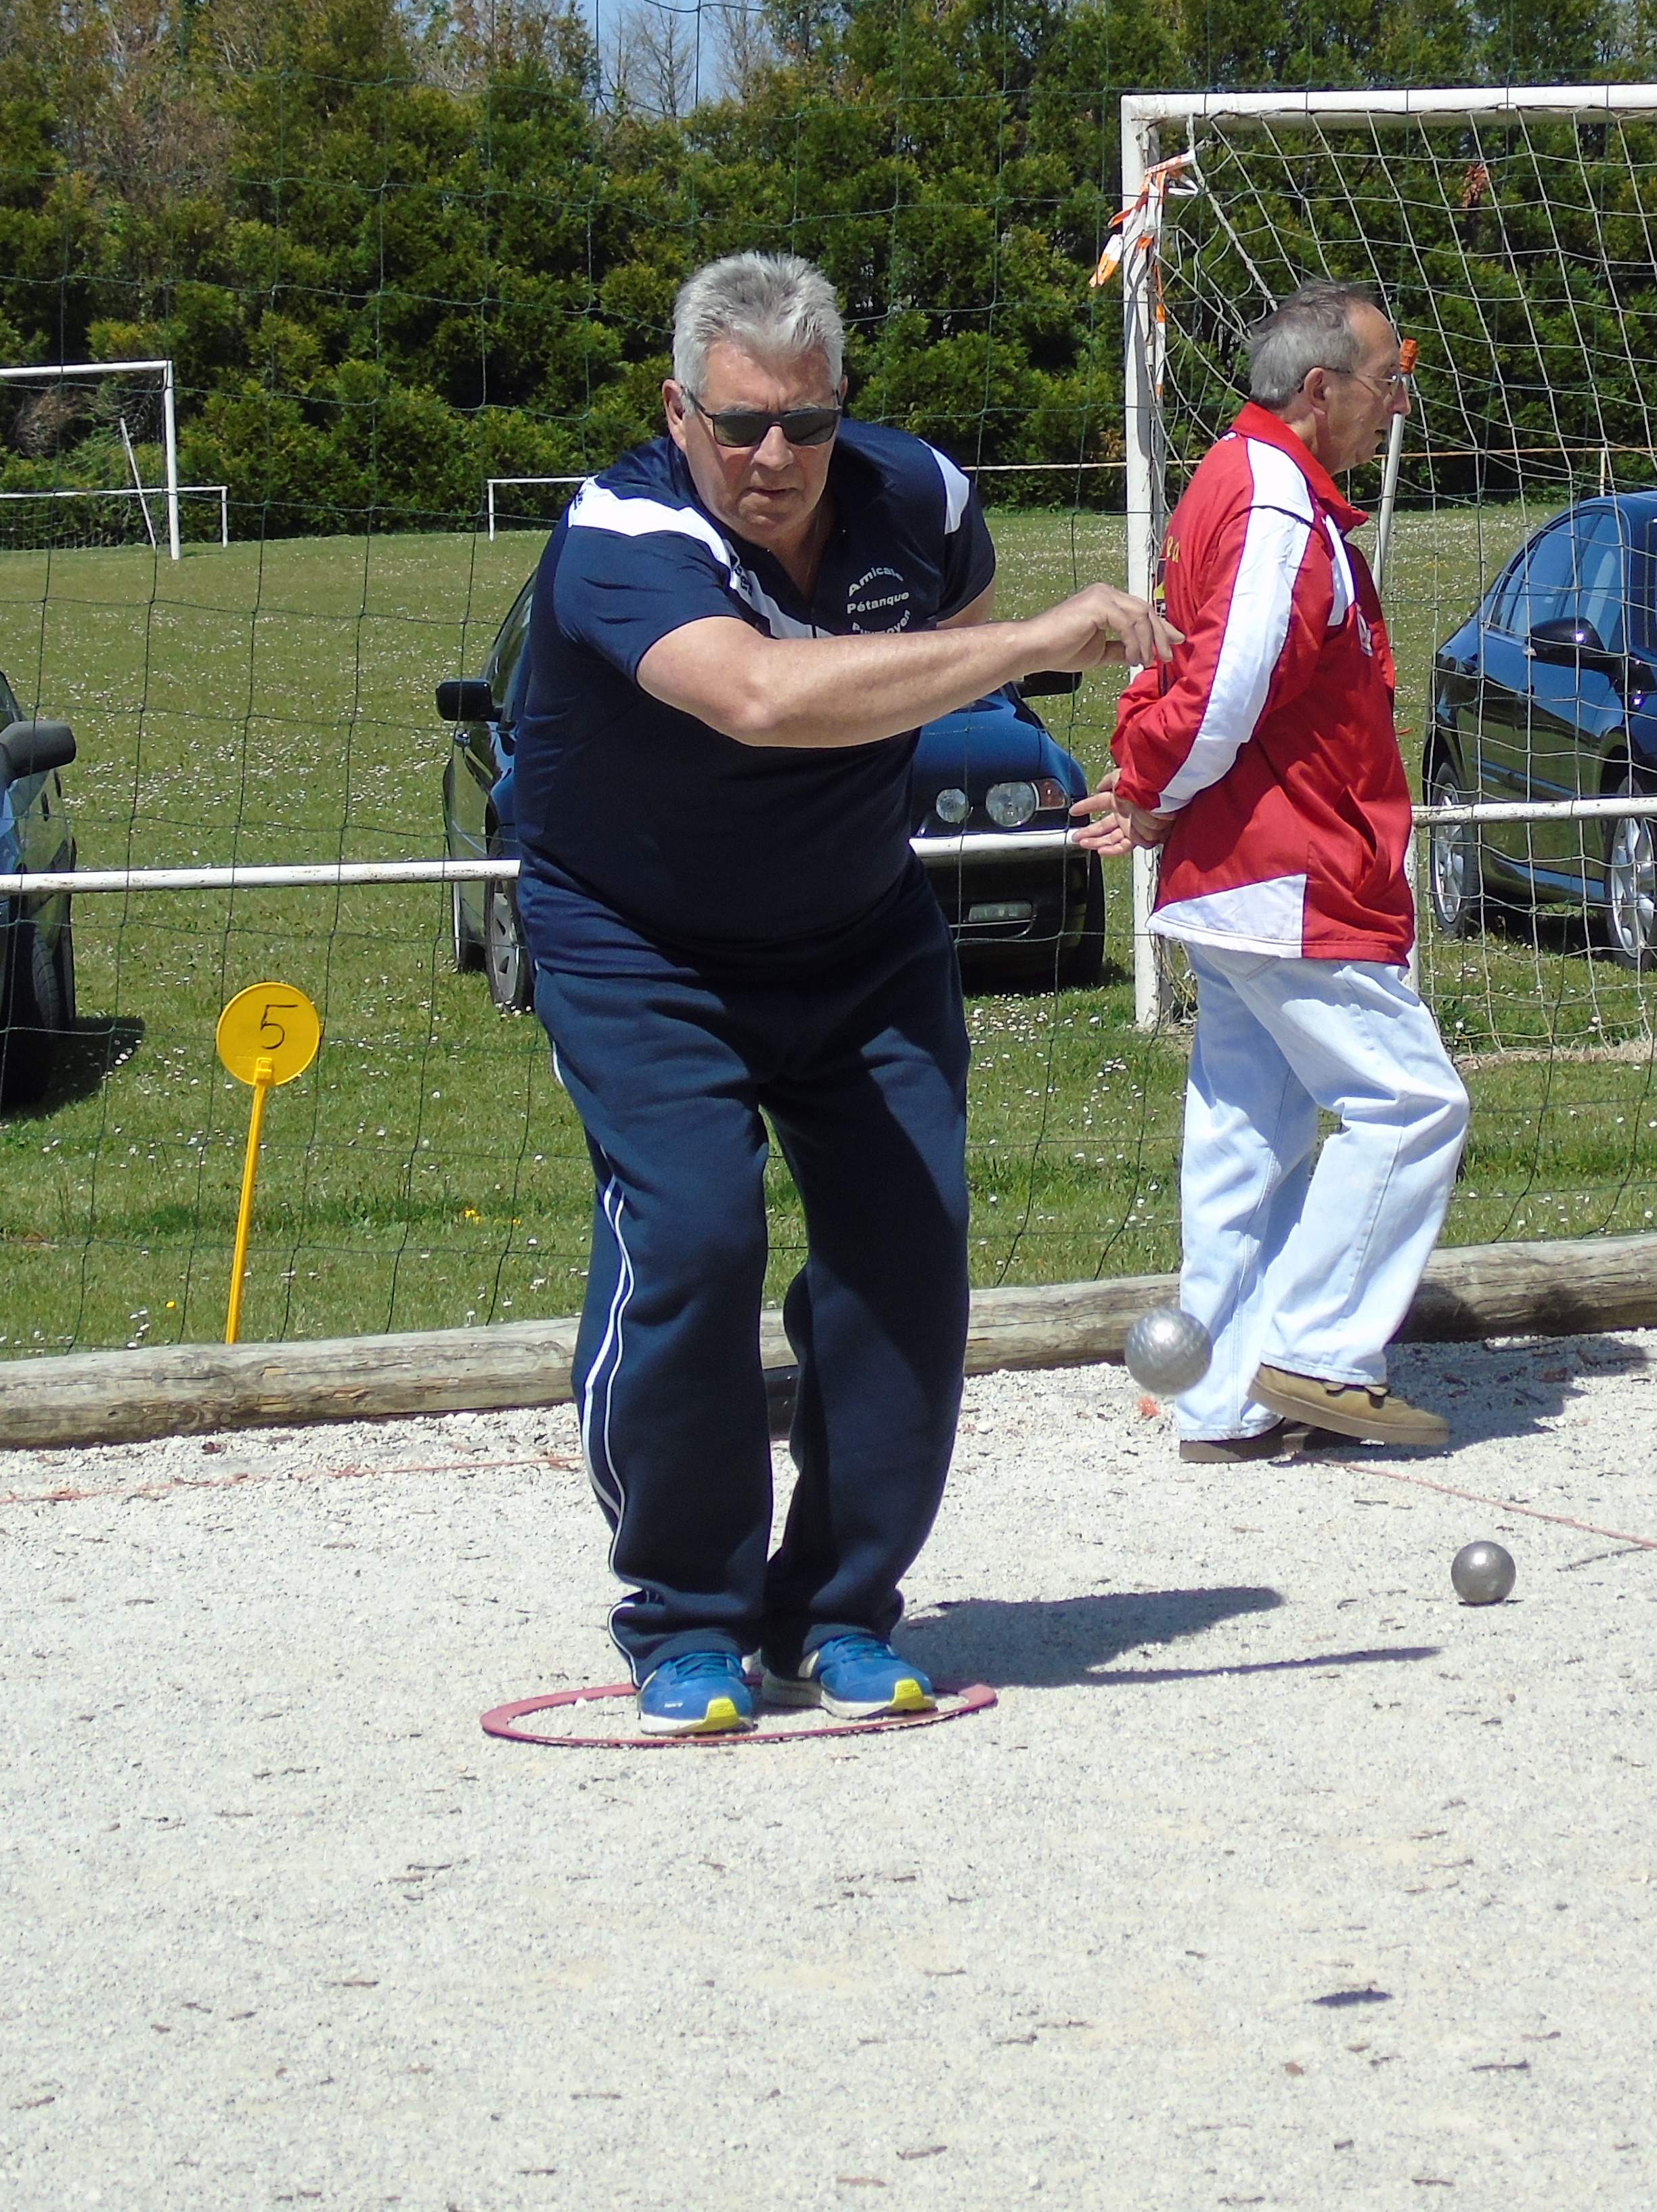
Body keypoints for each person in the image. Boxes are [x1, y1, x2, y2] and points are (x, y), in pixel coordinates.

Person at [514, 251, 1172, 1734]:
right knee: (692, 1234)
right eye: (739, 425)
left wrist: (1077, 726)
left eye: (805, 429)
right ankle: (685, 1617)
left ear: (841, 412)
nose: (772, 461)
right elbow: (755, 696)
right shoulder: (619, 529)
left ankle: (837, 1607)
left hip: (858, 926)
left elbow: (948, 652)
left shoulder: (921, 499)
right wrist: (1018, 649)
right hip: (635, 939)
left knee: (908, 1250)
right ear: (674, 408)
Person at [1082, 280, 1471, 1460]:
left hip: (1250, 868)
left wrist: (1156, 791)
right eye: (1386, 384)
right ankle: (1314, 1355)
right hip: (1289, 868)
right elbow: (1225, 685)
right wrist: (1153, 792)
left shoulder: (1247, 484)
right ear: (1321, 388)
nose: (1396, 408)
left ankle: (1225, 1398)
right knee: (1410, 1105)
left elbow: (1188, 672)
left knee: (1252, 1136)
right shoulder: (1273, 497)